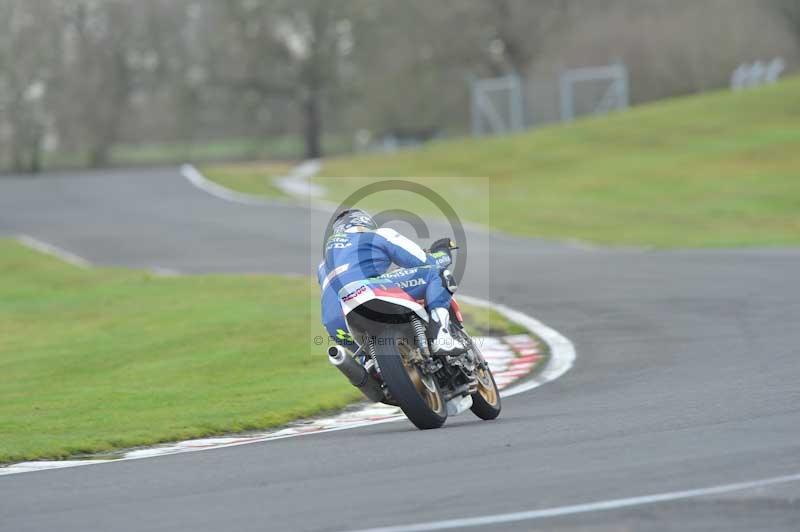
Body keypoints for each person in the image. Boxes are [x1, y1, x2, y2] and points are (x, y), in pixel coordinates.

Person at [318, 208, 463, 355]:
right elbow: (424, 262)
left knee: (370, 363)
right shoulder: (376, 235)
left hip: (334, 321)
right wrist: (442, 251)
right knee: (436, 273)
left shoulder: (323, 265)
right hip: (366, 291)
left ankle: (371, 370)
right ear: (364, 222)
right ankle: (441, 337)